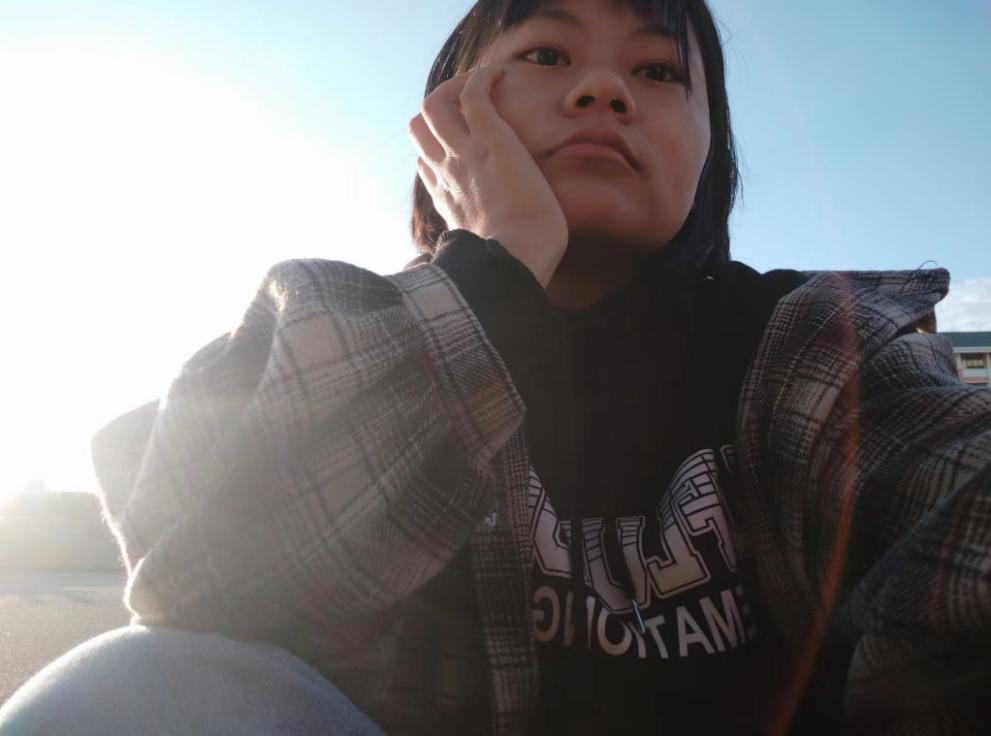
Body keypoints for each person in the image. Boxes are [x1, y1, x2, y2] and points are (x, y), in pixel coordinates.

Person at [2, 0, 988, 734]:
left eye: (657, 72)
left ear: (709, 154)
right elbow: (200, 582)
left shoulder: (810, 344)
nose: (602, 90)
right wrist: (498, 261)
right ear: (446, 122)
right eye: (546, 53)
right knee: (124, 691)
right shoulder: (345, 339)